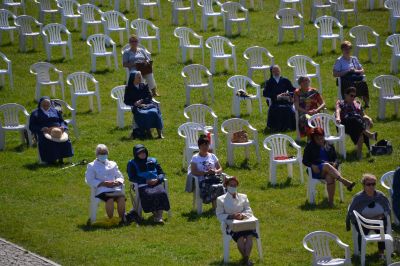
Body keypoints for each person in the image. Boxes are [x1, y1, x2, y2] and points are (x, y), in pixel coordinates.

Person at [303, 127, 356, 207]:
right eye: (317, 139)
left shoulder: (329, 145)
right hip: (316, 170)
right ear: (313, 138)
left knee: (329, 177)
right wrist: (311, 165)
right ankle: (344, 181)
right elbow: (304, 160)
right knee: (327, 165)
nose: (320, 140)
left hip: (329, 171)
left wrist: (335, 163)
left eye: (321, 138)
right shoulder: (310, 146)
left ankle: (330, 202)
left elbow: (336, 158)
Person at [346, 173, 391, 258]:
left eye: (373, 184)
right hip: (362, 221)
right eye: (368, 184)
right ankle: (360, 252)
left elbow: (387, 209)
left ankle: (381, 252)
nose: (371, 186)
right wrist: (363, 220)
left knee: (382, 230)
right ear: (364, 185)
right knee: (362, 232)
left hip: (379, 220)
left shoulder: (380, 196)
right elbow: (351, 212)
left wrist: (379, 216)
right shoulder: (358, 198)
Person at [216, 176, 257, 266]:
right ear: (226, 186)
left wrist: (242, 215)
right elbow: (219, 215)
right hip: (231, 225)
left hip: (245, 223)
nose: (233, 187)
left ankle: (245, 260)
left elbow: (249, 211)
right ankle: (247, 261)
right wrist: (232, 216)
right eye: (231, 185)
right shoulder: (220, 199)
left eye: (235, 185)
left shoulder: (243, 196)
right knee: (241, 239)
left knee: (249, 237)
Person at [127, 144, 170, 223]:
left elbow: (161, 173)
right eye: (140, 153)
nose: (142, 154)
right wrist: (145, 181)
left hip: (156, 183)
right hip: (142, 185)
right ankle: (156, 215)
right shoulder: (131, 163)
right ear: (136, 154)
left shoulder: (153, 160)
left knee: (161, 192)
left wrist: (158, 179)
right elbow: (132, 177)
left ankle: (159, 216)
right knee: (149, 194)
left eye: (144, 152)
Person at [85, 144, 126, 225]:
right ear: (97, 155)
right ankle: (110, 219)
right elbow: (89, 180)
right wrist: (103, 183)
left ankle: (122, 219)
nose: (103, 155)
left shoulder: (113, 164)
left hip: (115, 188)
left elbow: (120, 176)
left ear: (107, 154)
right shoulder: (91, 165)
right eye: (101, 153)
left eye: (105, 153)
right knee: (110, 199)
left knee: (121, 198)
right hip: (101, 189)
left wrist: (117, 181)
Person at [335, 87, 377, 160]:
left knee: (359, 130)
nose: (353, 98)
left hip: (356, 124)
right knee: (354, 120)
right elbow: (337, 110)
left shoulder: (356, 103)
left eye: (354, 96)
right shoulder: (340, 102)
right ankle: (369, 135)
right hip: (345, 124)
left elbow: (363, 114)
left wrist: (369, 118)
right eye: (351, 95)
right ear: (346, 95)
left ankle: (359, 154)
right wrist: (338, 117)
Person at [29, 96, 73, 164]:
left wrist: (62, 127)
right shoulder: (35, 113)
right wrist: (41, 128)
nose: (46, 106)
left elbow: (61, 121)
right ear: (40, 104)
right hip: (44, 132)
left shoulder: (55, 111)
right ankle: (51, 160)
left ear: (50, 104)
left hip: (57, 131)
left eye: (48, 105)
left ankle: (61, 158)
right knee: (48, 142)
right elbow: (32, 126)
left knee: (65, 141)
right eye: (44, 105)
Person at [186, 134, 223, 209]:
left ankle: (223, 207)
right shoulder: (195, 157)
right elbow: (193, 171)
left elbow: (220, 169)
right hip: (202, 181)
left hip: (214, 178)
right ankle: (215, 208)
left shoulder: (212, 156)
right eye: (203, 145)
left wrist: (215, 171)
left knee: (224, 185)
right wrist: (206, 173)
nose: (205, 147)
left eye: (207, 145)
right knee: (214, 187)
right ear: (199, 146)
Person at [123, 71, 164, 139]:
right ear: (133, 78)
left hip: (148, 105)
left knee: (154, 112)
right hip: (137, 108)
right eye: (138, 77)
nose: (140, 78)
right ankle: (148, 132)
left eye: (140, 77)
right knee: (144, 114)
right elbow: (126, 101)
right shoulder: (129, 88)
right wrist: (135, 104)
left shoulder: (144, 85)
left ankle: (160, 134)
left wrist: (142, 101)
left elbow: (149, 97)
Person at [333, 40, 370, 107]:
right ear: (342, 50)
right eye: (345, 49)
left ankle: (366, 102)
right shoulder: (339, 60)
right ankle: (350, 102)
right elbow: (335, 74)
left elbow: (362, 70)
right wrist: (347, 71)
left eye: (349, 49)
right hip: (344, 79)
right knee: (350, 84)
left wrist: (355, 71)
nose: (347, 51)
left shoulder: (354, 59)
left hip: (354, 77)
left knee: (363, 84)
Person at [263, 65, 296, 132]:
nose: (276, 72)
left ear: (280, 71)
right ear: (272, 72)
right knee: (278, 109)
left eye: (277, 70)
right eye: (274, 71)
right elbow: (265, 93)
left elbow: (293, 90)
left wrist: (288, 94)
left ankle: (289, 126)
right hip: (275, 101)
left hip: (285, 100)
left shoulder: (285, 80)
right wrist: (276, 96)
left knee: (288, 109)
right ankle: (277, 127)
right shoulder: (269, 82)